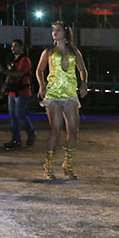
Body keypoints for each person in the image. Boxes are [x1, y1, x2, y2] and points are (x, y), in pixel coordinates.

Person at [36, 20, 88, 180]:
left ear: (65, 33)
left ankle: (68, 164)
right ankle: (48, 165)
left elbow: (82, 69)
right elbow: (39, 69)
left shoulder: (74, 52)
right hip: (54, 95)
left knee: (73, 129)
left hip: (70, 94)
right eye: (53, 30)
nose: (54, 32)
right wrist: (42, 86)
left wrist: (84, 83)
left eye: (58, 30)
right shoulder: (49, 51)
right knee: (56, 129)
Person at [0, 39, 36, 150]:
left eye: (15, 46)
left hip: (22, 92)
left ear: (21, 47)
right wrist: (4, 87)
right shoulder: (14, 61)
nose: (13, 48)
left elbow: (19, 73)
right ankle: (16, 139)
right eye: (12, 46)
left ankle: (31, 133)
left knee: (19, 115)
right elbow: (10, 76)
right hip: (13, 91)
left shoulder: (25, 60)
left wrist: (4, 71)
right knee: (13, 117)